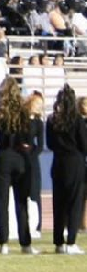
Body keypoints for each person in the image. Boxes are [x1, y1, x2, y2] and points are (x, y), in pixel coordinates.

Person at [0, 76, 37, 255]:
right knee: (21, 202)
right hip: (21, 159)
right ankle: (25, 243)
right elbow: (29, 138)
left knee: (2, 202)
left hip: (2, 158)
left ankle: (4, 244)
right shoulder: (24, 114)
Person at [46, 86, 87, 254]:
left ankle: (58, 242)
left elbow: (49, 144)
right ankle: (71, 241)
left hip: (58, 161)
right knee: (75, 201)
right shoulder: (77, 120)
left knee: (59, 202)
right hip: (75, 162)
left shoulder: (51, 119)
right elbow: (84, 144)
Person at [24, 91, 45, 236]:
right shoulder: (22, 119)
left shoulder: (39, 123)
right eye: (37, 104)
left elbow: (40, 145)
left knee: (35, 192)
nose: (39, 107)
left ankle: (37, 225)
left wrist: (31, 154)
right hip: (20, 157)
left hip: (32, 160)